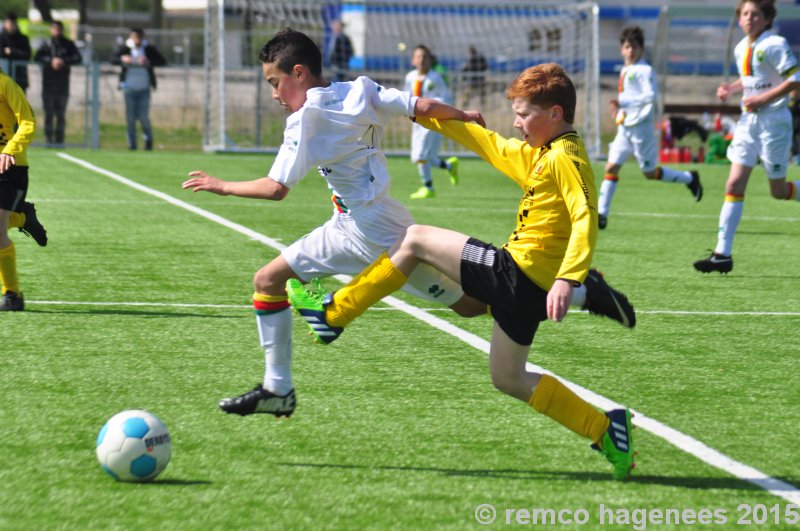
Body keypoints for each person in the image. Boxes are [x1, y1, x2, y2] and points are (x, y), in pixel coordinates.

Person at [286, 63, 637, 480]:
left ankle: (333, 315)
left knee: (414, 239)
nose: (516, 122)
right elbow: (491, 145)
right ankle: (604, 431)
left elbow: (585, 216)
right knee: (508, 378)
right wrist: (431, 116)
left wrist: (569, 277)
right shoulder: (544, 153)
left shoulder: (567, 158)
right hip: (525, 290)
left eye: (524, 114)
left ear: (556, 114)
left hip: (516, 273)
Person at [182, 28, 489, 418]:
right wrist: (462, 115)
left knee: (471, 307)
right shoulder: (361, 88)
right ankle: (278, 388)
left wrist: (222, 186)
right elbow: (423, 108)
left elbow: (277, 188)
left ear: (298, 73)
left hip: (375, 233)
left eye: (275, 84)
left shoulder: (305, 118)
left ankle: (561, 297)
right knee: (267, 281)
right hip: (354, 222)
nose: (275, 95)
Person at [694, 0, 800, 274]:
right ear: (739, 18)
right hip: (748, 123)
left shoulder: (775, 43)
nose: (749, 18)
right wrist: (731, 88)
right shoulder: (741, 47)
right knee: (733, 183)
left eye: (755, 14)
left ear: (766, 19)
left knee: (778, 191)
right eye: (745, 13)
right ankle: (722, 254)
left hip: (773, 123)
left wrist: (764, 98)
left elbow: (796, 77)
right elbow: (751, 77)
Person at [599, 26, 703, 230]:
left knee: (649, 172)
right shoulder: (627, 69)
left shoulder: (644, 70)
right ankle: (602, 214)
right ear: (622, 49)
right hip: (626, 128)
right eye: (627, 46)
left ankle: (689, 178)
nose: (631, 51)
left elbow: (650, 95)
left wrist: (623, 102)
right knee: (611, 168)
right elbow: (629, 99)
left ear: (641, 49)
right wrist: (619, 109)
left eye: (635, 47)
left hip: (641, 129)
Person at [0, 65, 48, 312]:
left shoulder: (5, 83)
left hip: (9, 167)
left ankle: (12, 294)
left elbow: (27, 121)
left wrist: (10, 149)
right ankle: (22, 217)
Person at [404, 45, 458, 199]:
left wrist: (432, 106)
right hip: (417, 122)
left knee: (421, 155)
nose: (422, 60)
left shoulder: (435, 78)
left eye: (425, 57)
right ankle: (449, 165)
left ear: (429, 60)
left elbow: (446, 97)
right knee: (422, 157)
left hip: (432, 122)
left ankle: (428, 188)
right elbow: (405, 96)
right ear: (413, 60)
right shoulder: (410, 77)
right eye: (419, 56)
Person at [113, 28, 166, 151]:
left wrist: (148, 61)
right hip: (129, 88)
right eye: (134, 37)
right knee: (130, 118)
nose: (136, 40)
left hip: (144, 88)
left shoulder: (148, 49)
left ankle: (148, 142)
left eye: (139, 37)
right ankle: (132, 145)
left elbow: (162, 60)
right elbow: (113, 59)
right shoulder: (126, 48)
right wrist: (123, 59)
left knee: (143, 117)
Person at [34, 21, 82, 147]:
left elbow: (77, 58)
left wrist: (63, 61)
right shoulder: (46, 44)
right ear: (51, 30)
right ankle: (49, 140)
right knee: (48, 113)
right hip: (48, 84)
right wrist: (51, 61)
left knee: (60, 113)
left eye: (58, 29)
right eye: (54, 29)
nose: (56, 31)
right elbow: (37, 57)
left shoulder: (68, 44)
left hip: (62, 84)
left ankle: (60, 141)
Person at [0, 12, 31, 94]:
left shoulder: (23, 39)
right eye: (9, 23)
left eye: (13, 23)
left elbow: (27, 55)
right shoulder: (1, 38)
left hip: (19, 77)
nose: (11, 25)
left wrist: (11, 51)